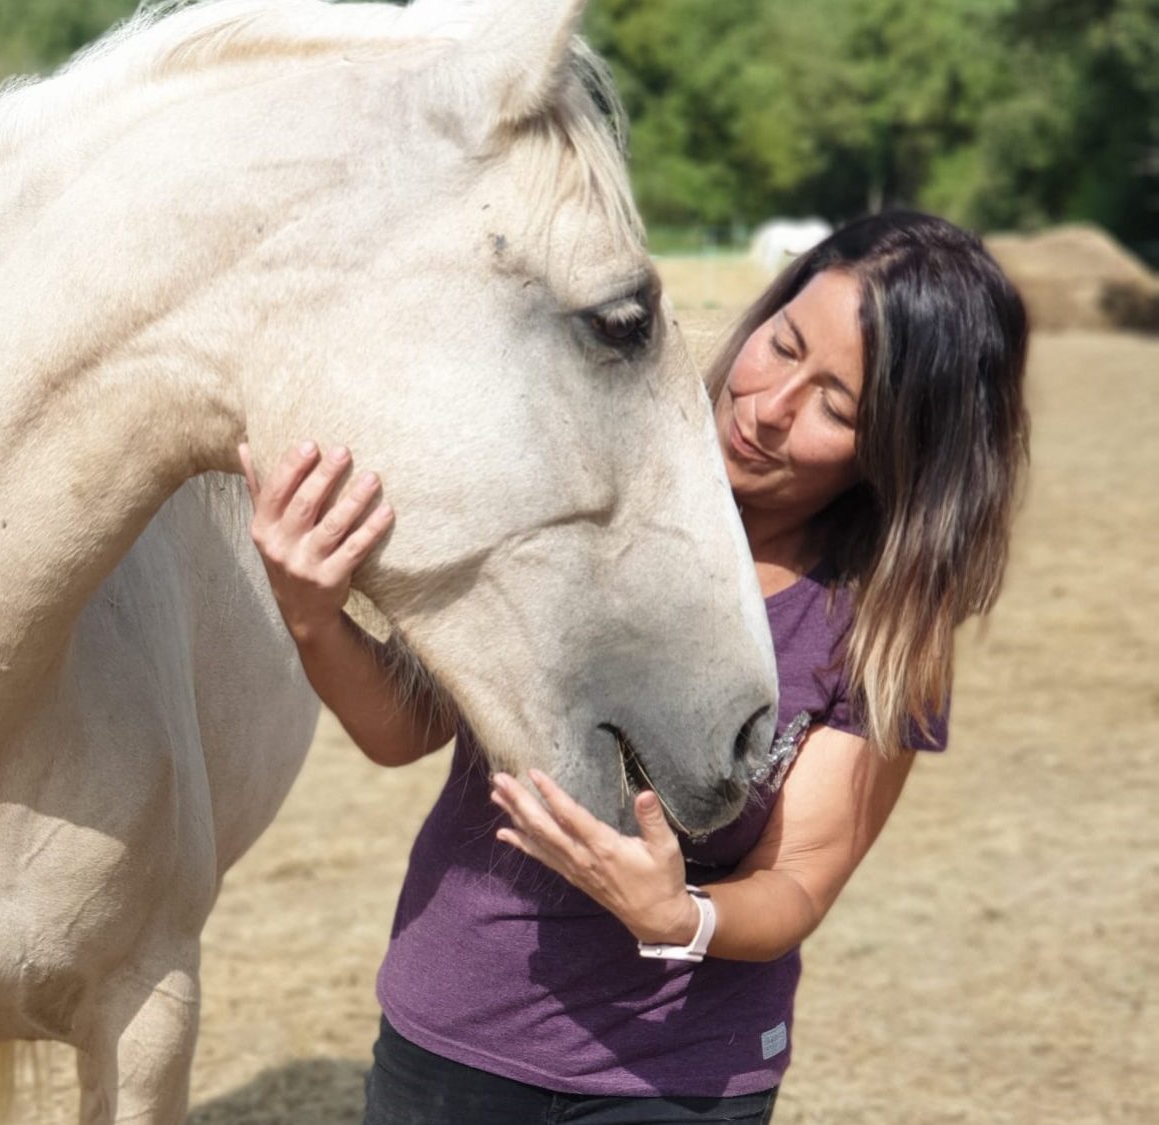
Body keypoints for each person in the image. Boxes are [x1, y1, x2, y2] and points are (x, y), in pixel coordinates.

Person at [237, 211, 1030, 1124]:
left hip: (679, 1079)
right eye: (782, 344)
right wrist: (312, 613)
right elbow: (401, 729)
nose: (767, 406)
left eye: (837, 407)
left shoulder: (885, 626)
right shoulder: (573, 489)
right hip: (452, 1032)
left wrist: (680, 916)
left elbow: (801, 876)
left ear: (903, 450)